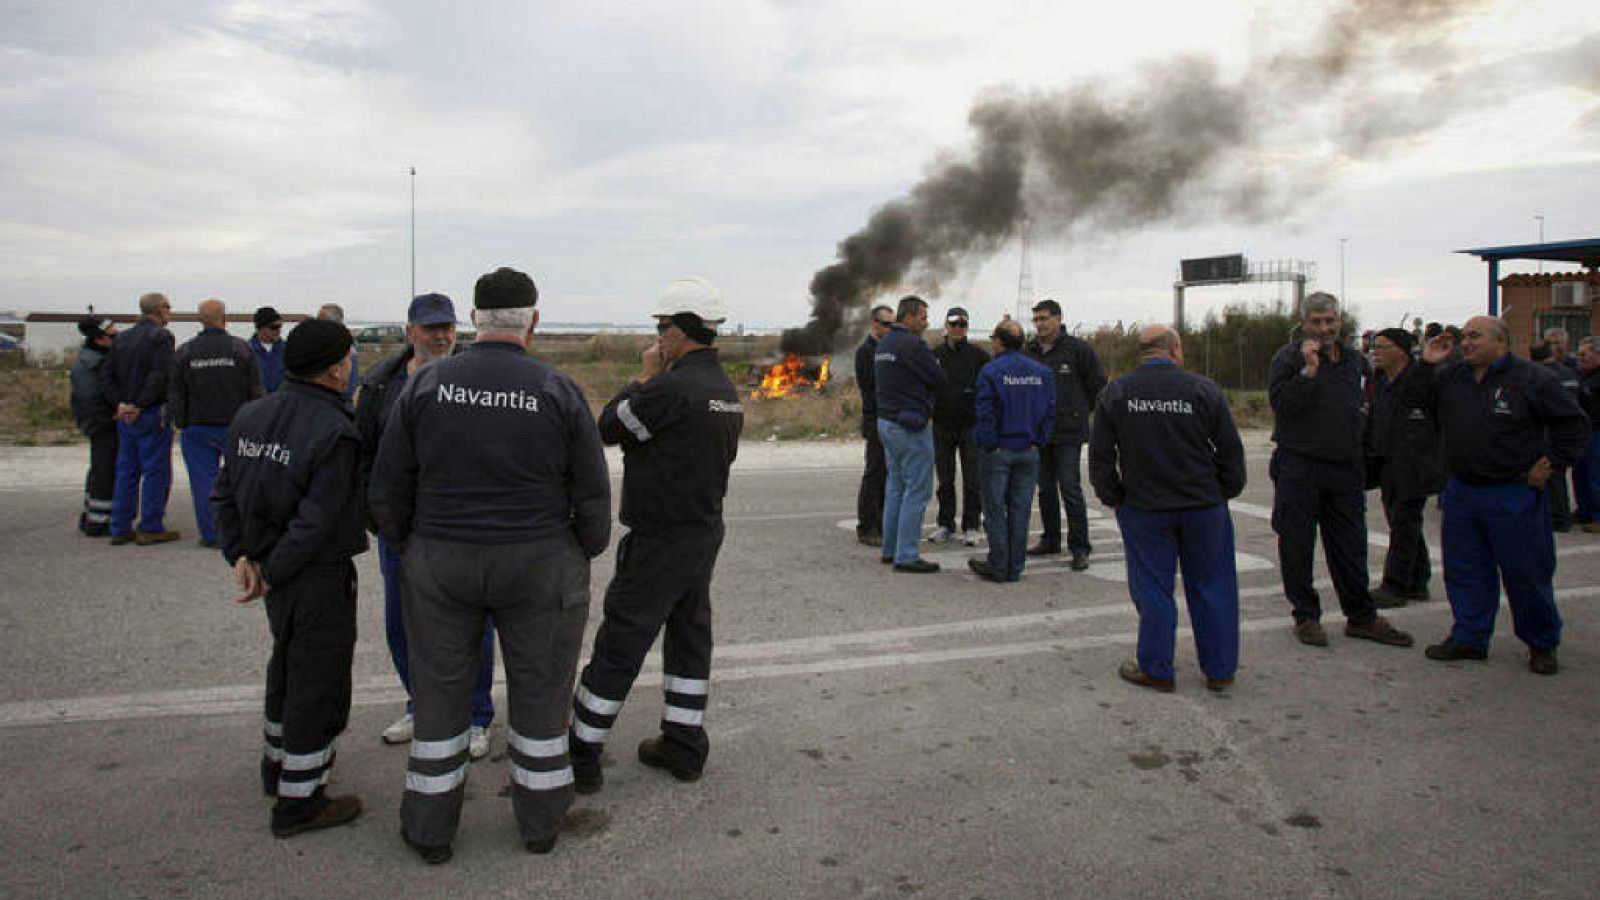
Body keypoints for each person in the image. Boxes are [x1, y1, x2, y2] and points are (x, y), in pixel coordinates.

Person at [371, 267, 610, 862]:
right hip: (539, 563)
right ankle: (541, 823)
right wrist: (581, 549)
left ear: (474, 319)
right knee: (541, 694)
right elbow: (592, 492)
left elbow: (387, 485)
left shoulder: (425, 385)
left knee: (439, 697)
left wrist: (412, 547)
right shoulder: (558, 389)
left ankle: (429, 830)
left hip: (440, 561)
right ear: (534, 321)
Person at [569, 276, 743, 793]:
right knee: (689, 638)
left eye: (661, 328)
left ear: (678, 332)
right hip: (702, 532)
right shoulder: (724, 391)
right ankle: (684, 744)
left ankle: (581, 750)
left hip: (660, 537)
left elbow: (608, 427)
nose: (657, 338)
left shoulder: (669, 388)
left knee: (622, 641)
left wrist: (644, 376)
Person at [210, 318, 368, 838]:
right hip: (313, 574)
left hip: (269, 571)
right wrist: (273, 573)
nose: (350, 366)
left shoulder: (251, 414)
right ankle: (300, 801)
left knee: (286, 666)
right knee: (318, 682)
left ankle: (276, 765)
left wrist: (243, 558)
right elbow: (316, 521)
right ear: (335, 369)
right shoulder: (336, 430)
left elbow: (224, 494)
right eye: (347, 358)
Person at [356, 293, 498, 758]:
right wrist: (377, 516)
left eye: (447, 327)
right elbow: (364, 453)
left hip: (462, 528)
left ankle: (475, 716)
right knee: (402, 624)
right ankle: (422, 705)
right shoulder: (381, 383)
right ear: (410, 330)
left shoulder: (478, 376)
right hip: (400, 530)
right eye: (431, 327)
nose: (441, 336)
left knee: (471, 625)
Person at [1420, 317, 1590, 675]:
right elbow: (1414, 401)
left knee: (1526, 573)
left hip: (1513, 493)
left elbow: (1574, 424)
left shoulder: (1532, 379)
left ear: (1501, 342)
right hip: (1463, 493)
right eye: (1465, 337)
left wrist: (1552, 462)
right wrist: (1426, 364)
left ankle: (1541, 642)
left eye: (1475, 337)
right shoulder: (1451, 377)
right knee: (1465, 571)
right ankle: (1469, 637)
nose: (1466, 343)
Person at [1090, 325, 1246, 692]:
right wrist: (1224, 490)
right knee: (1213, 585)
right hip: (1202, 506)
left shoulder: (1118, 391)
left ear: (1142, 352)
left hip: (1145, 507)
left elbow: (1100, 455)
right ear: (1175, 349)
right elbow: (1230, 449)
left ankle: (1157, 667)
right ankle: (1220, 668)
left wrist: (1113, 495)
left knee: (1153, 588)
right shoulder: (1203, 389)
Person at [1267, 292, 1412, 649]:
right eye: (1316, 321)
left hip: (1345, 468)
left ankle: (1361, 617)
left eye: (1330, 321)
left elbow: (1368, 408)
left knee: (1350, 545)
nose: (1324, 328)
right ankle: (1306, 615)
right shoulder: (1288, 359)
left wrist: (1370, 459)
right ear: (1304, 324)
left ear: (1339, 321)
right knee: (1297, 544)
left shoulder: (1356, 363)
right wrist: (1308, 371)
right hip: (1299, 466)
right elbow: (1283, 406)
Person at [169, 298, 262, 548]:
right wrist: (257, 421)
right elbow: (255, 388)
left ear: (200, 320)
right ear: (225, 318)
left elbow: (176, 391)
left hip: (198, 426)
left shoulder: (185, 352)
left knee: (203, 482)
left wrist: (181, 421)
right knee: (243, 480)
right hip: (237, 425)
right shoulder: (241, 349)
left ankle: (212, 534)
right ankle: (244, 531)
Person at [1025, 298, 1107, 570]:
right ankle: (1050, 538)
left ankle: (1080, 547)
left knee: (1070, 488)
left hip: (1068, 432)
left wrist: (1079, 412)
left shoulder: (1077, 350)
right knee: (1045, 489)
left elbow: (1098, 387)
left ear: (1058, 319)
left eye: (1044, 318)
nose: (1039, 324)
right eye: (1036, 319)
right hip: (1040, 432)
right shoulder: (1030, 351)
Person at [969, 319, 1053, 583]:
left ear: (998, 341)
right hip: (1029, 449)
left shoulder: (991, 371)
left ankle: (998, 564)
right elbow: (1050, 410)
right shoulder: (1042, 372)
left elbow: (984, 412)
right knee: (1020, 510)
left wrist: (988, 444)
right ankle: (1015, 566)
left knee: (995, 510)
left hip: (999, 450)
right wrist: (1039, 440)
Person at [1366, 328, 1443, 607]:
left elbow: (1420, 401)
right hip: (1388, 462)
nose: (1376, 352)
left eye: (1383, 347)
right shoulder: (1380, 381)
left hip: (1414, 463)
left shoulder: (1420, 376)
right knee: (1402, 523)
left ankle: (1395, 586)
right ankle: (1417, 580)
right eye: (1374, 347)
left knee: (1404, 523)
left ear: (1401, 351)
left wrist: (1427, 364)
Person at [874, 295, 945, 573]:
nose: (926, 323)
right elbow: (938, 379)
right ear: (910, 316)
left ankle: (890, 548)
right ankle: (906, 554)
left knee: (895, 486)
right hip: (909, 424)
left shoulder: (885, 343)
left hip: (886, 422)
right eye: (923, 317)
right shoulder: (912, 345)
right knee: (917, 490)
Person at [103, 292, 179, 546]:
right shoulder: (162, 337)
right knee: (155, 471)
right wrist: (140, 404)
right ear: (159, 310)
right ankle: (150, 525)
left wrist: (121, 404)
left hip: (125, 415)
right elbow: (159, 375)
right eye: (167, 306)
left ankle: (120, 526)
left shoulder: (122, 339)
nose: (170, 310)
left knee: (126, 471)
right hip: (150, 412)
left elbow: (108, 376)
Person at [930, 306, 990, 546]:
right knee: (945, 478)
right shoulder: (934, 354)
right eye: (953, 323)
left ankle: (972, 525)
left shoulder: (979, 355)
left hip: (970, 425)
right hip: (942, 424)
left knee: (973, 479)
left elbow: (987, 388)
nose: (957, 328)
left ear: (967, 327)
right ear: (946, 325)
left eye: (962, 324)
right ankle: (945, 524)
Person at [69, 316, 119, 537]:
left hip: (100, 422)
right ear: (99, 339)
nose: (117, 340)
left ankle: (95, 513)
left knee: (101, 468)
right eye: (113, 336)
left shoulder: (95, 359)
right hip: (102, 424)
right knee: (104, 470)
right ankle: (98, 521)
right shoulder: (91, 364)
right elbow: (91, 398)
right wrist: (111, 415)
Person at [1530, 340, 1581, 532]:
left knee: (1550, 475)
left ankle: (1557, 517)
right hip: (1566, 429)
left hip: (1547, 430)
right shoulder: (1568, 373)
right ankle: (1561, 515)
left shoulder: (1536, 375)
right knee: (1557, 475)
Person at [854, 305, 893, 547]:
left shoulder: (888, 349)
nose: (889, 329)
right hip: (875, 418)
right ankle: (867, 526)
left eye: (892, 324)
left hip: (890, 419)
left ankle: (882, 524)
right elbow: (873, 388)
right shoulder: (866, 351)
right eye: (885, 324)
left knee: (889, 475)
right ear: (874, 324)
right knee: (875, 473)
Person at [1575, 336, 1600, 533]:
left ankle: (1598, 516)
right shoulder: (1584, 375)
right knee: (1580, 473)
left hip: (1597, 432)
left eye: (1584, 355)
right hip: (1584, 432)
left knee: (1595, 475)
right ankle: (1584, 511)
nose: (1580, 358)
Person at [317, 303, 359, 402]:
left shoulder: (346, 348)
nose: (316, 324)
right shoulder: (320, 343)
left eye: (320, 320)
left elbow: (349, 386)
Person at [250, 307, 286, 393]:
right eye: (274, 327)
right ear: (261, 328)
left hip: (282, 400)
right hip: (257, 400)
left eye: (280, 326)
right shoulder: (247, 351)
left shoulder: (287, 350)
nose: (278, 330)